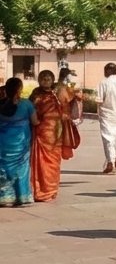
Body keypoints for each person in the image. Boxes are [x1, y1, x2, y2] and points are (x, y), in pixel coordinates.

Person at [30, 70, 77, 202]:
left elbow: (69, 101)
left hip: (56, 135)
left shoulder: (56, 93)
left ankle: (51, 190)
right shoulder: (35, 94)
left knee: (54, 163)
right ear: (39, 80)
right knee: (41, 163)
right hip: (41, 133)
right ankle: (40, 191)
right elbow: (30, 110)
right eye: (43, 79)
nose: (46, 81)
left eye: (48, 79)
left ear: (52, 80)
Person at [0, 78, 36, 207]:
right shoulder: (26, 104)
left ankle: (5, 198)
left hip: (3, 143)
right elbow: (35, 122)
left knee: (3, 168)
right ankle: (22, 196)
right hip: (21, 143)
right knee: (21, 168)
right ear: (20, 89)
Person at [96, 63, 116, 175]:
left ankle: (110, 162)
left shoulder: (104, 82)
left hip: (107, 115)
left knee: (108, 139)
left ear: (107, 71)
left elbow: (99, 100)